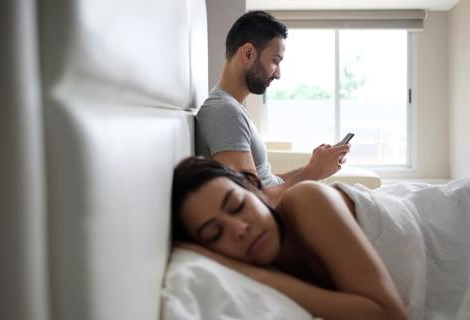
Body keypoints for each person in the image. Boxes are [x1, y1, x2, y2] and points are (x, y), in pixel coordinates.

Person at [171, 156, 470, 320]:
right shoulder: (260, 262)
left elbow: (387, 315)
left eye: (237, 206)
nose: (238, 229)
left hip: (450, 226)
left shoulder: (306, 200)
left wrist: (250, 272)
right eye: (214, 233)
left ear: (254, 189)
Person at [195, 10, 350, 205]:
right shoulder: (224, 111)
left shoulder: (232, 108)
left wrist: (314, 168)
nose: (278, 74)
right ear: (248, 53)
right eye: (275, 61)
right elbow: (251, 199)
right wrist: (313, 172)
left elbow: (264, 182)